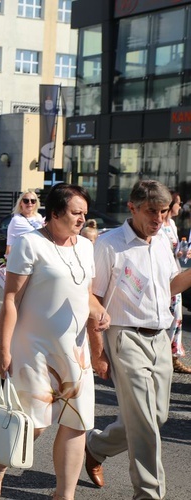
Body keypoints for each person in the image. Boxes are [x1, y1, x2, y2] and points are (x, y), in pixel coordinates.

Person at [0, 183, 109, 500]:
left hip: (75, 350)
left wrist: (99, 312)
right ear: (54, 213)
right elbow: (11, 299)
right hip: (34, 349)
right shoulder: (30, 244)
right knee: (32, 424)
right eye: (75, 212)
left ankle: (63, 495)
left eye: (85, 213)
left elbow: (86, 294)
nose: (82, 219)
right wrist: (3, 347)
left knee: (77, 423)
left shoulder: (84, 246)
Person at [85, 180, 191, 499]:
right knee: (144, 421)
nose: (158, 219)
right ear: (132, 208)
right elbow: (92, 297)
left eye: (163, 211)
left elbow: (169, 286)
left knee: (155, 417)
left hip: (160, 338)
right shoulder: (109, 244)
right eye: (151, 212)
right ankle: (148, 493)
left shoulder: (160, 242)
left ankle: (96, 445)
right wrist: (97, 351)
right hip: (124, 336)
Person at [165, 194, 191, 373]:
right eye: (178, 203)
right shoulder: (159, 227)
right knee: (165, 318)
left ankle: (173, 358)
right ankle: (162, 358)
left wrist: (181, 253)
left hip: (175, 273)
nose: (180, 207)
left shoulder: (172, 225)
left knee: (176, 319)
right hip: (165, 277)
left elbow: (173, 251)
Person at [5, 191, 44, 256]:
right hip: (23, 256)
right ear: (21, 203)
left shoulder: (39, 217)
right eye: (26, 201)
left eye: (33, 201)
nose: (30, 203)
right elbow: (10, 243)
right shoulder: (16, 220)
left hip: (39, 255)